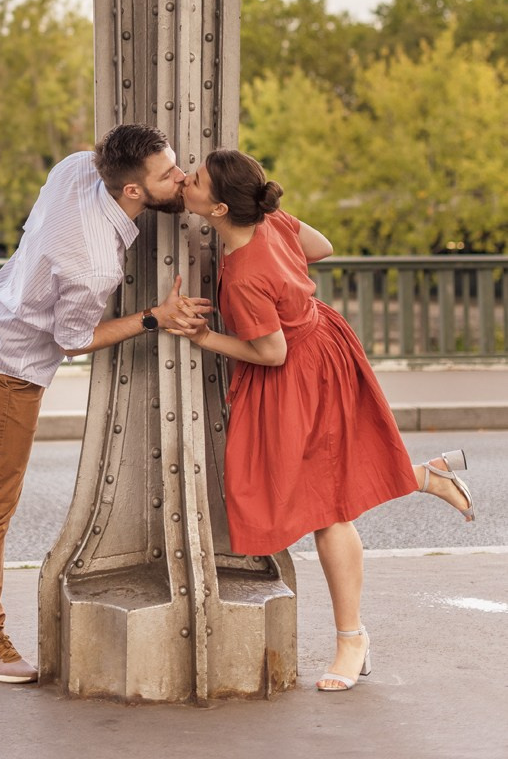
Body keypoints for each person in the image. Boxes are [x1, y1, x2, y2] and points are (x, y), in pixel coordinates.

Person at [0, 123, 209, 684]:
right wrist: (155, 317)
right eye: (167, 174)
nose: (180, 178)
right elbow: (74, 339)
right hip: (15, 363)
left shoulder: (77, 167)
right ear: (133, 192)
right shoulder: (94, 262)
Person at [171, 148, 476, 694]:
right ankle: (427, 477)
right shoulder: (271, 221)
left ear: (216, 208)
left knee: (326, 507)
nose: (184, 181)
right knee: (326, 495)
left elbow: (270, 353)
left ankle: (351, 639)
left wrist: (202, 337)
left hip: (297, 376)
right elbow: (322, 247)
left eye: (192, 180)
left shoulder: (243, 274)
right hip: (326, 347)